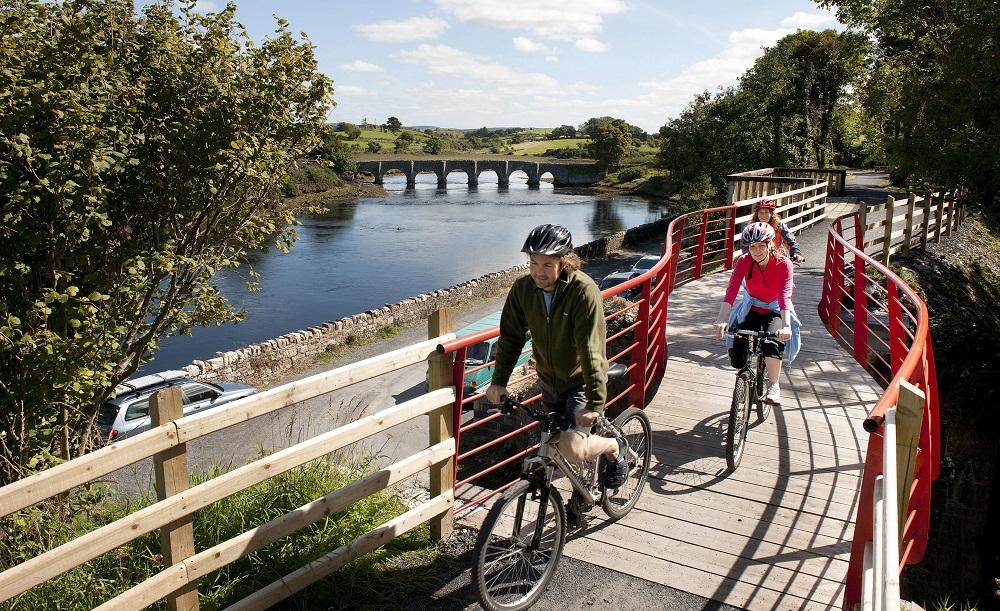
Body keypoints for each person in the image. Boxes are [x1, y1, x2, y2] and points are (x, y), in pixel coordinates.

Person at [485, 223, 628, 488]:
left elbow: (591, 349)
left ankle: (612, 446)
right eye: (533, 263)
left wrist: (595, 405)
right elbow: (511, 338)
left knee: (572, 449)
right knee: (549, 446)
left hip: (579, 381)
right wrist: (498, 382)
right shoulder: (523, 289)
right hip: (549, 383)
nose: (539, 272)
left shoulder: (582, 292)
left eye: (547, 265)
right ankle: (572, 498)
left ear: (565, 262)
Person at [714, 222, 801, 405]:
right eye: (752, 247)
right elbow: (731, 291)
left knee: (772, 342)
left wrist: (786, 326)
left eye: (761, 245)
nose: (757, 251)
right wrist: (722, 320)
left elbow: (785, 296)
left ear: (770, 244)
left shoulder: (783, 263)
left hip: (775, 309)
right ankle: (743, 379)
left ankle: (774, 385)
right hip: (751, 307)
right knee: (737, 345)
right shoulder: (744, 262)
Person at [741, 198, 805, 263]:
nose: (763, 216)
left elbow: (790, 240)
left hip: (777, 258)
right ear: (757, 214)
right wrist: (748, 257)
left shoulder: (778, 225)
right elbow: (746, 245)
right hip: (758, 258)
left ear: (771, 214)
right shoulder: (752, 228)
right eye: (761, 212)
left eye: (766, 212)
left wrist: (796, 253)